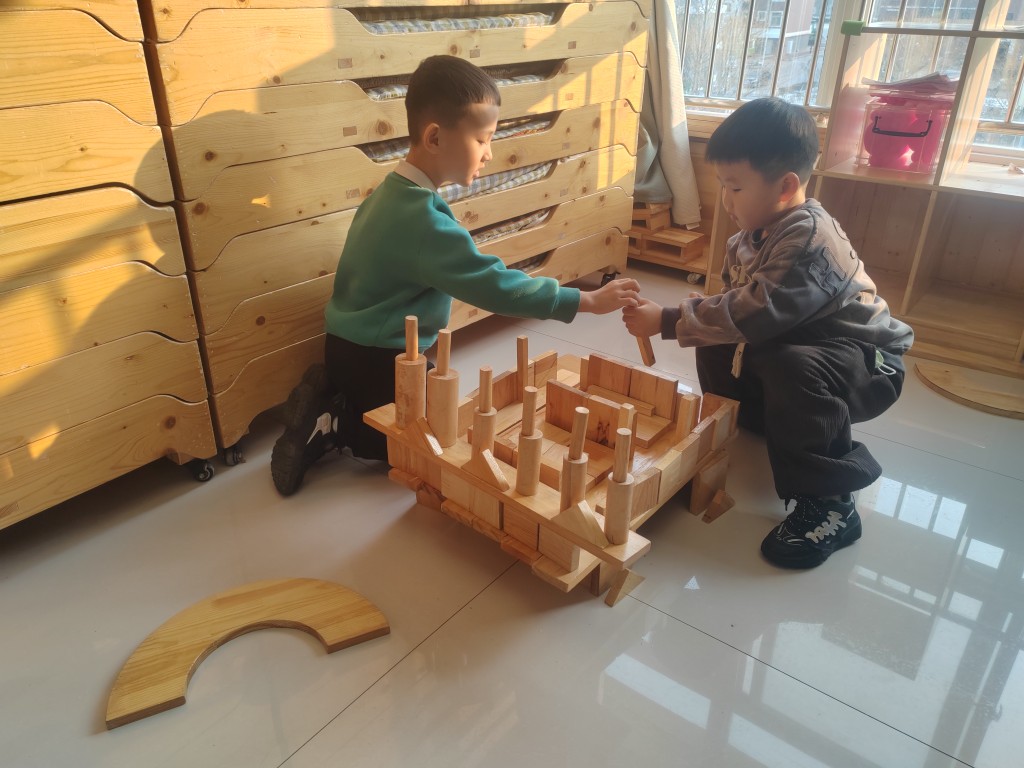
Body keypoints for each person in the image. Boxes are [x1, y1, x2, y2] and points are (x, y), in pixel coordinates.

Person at [272, 55, 640, 496]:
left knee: (427, 405)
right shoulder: (424, 222)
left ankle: (335, 390)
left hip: (342, 346)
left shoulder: (386, 194)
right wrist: (585, 300)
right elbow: (495, 285)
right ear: (435, 138)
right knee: (426, 437)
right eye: (482, 139)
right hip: (382, 361)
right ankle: (337, 423)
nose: (489, 152)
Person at [622, 97, 914, 569]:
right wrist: (700, 318)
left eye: (735, 187)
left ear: (786, 187)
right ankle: (744, 420)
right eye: (723, 185)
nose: (725, 200)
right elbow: (730, 311)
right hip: (808, 342)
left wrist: (669, 319)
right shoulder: (747, 237)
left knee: (786, 361)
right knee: (716, 333)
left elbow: (758, 313)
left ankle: (831, 501)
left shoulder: (810, 238)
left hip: (868, 362)